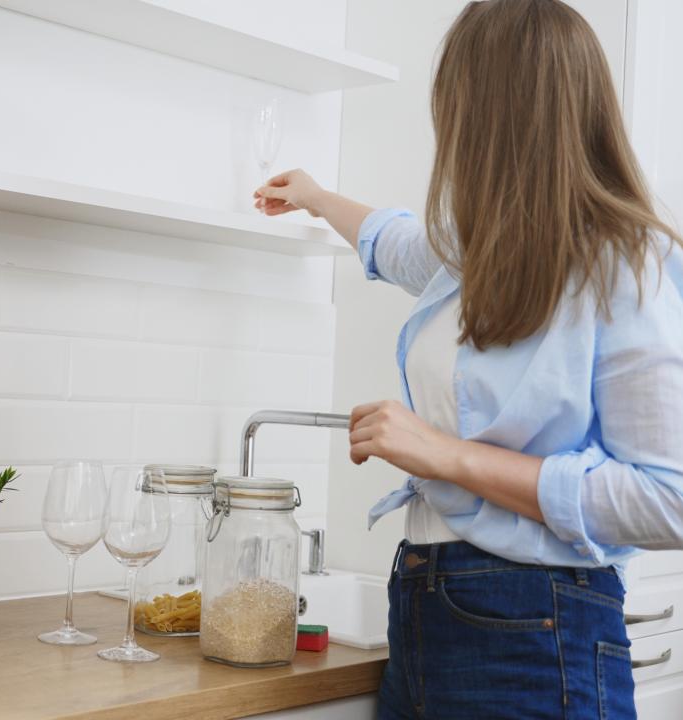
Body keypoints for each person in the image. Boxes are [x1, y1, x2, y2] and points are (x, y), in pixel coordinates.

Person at [255, 1, 683, 718]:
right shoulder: (483, 247)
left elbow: (669, 498)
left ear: (490, 114)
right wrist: (318, 198)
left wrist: (445, 456)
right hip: (428, 608)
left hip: (537, 629)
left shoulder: (625, 263)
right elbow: (398, 244)